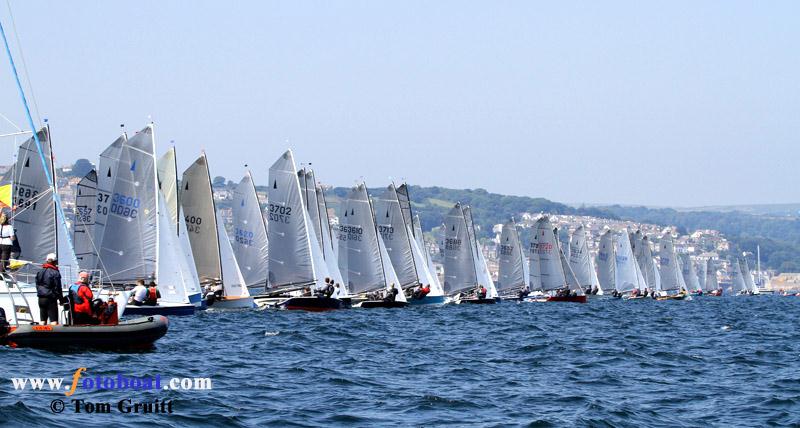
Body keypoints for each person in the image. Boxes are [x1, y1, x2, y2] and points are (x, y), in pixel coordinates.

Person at [35, 253, 63, 325]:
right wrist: (61, 300)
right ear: (54, 262)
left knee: (42, 320)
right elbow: (58, 287)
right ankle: (53, 336)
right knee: (53, 320)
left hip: (41, 298)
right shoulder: (55, 272)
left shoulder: (40, 271)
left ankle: (41, 335)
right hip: (50, 298)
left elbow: (37, 284)